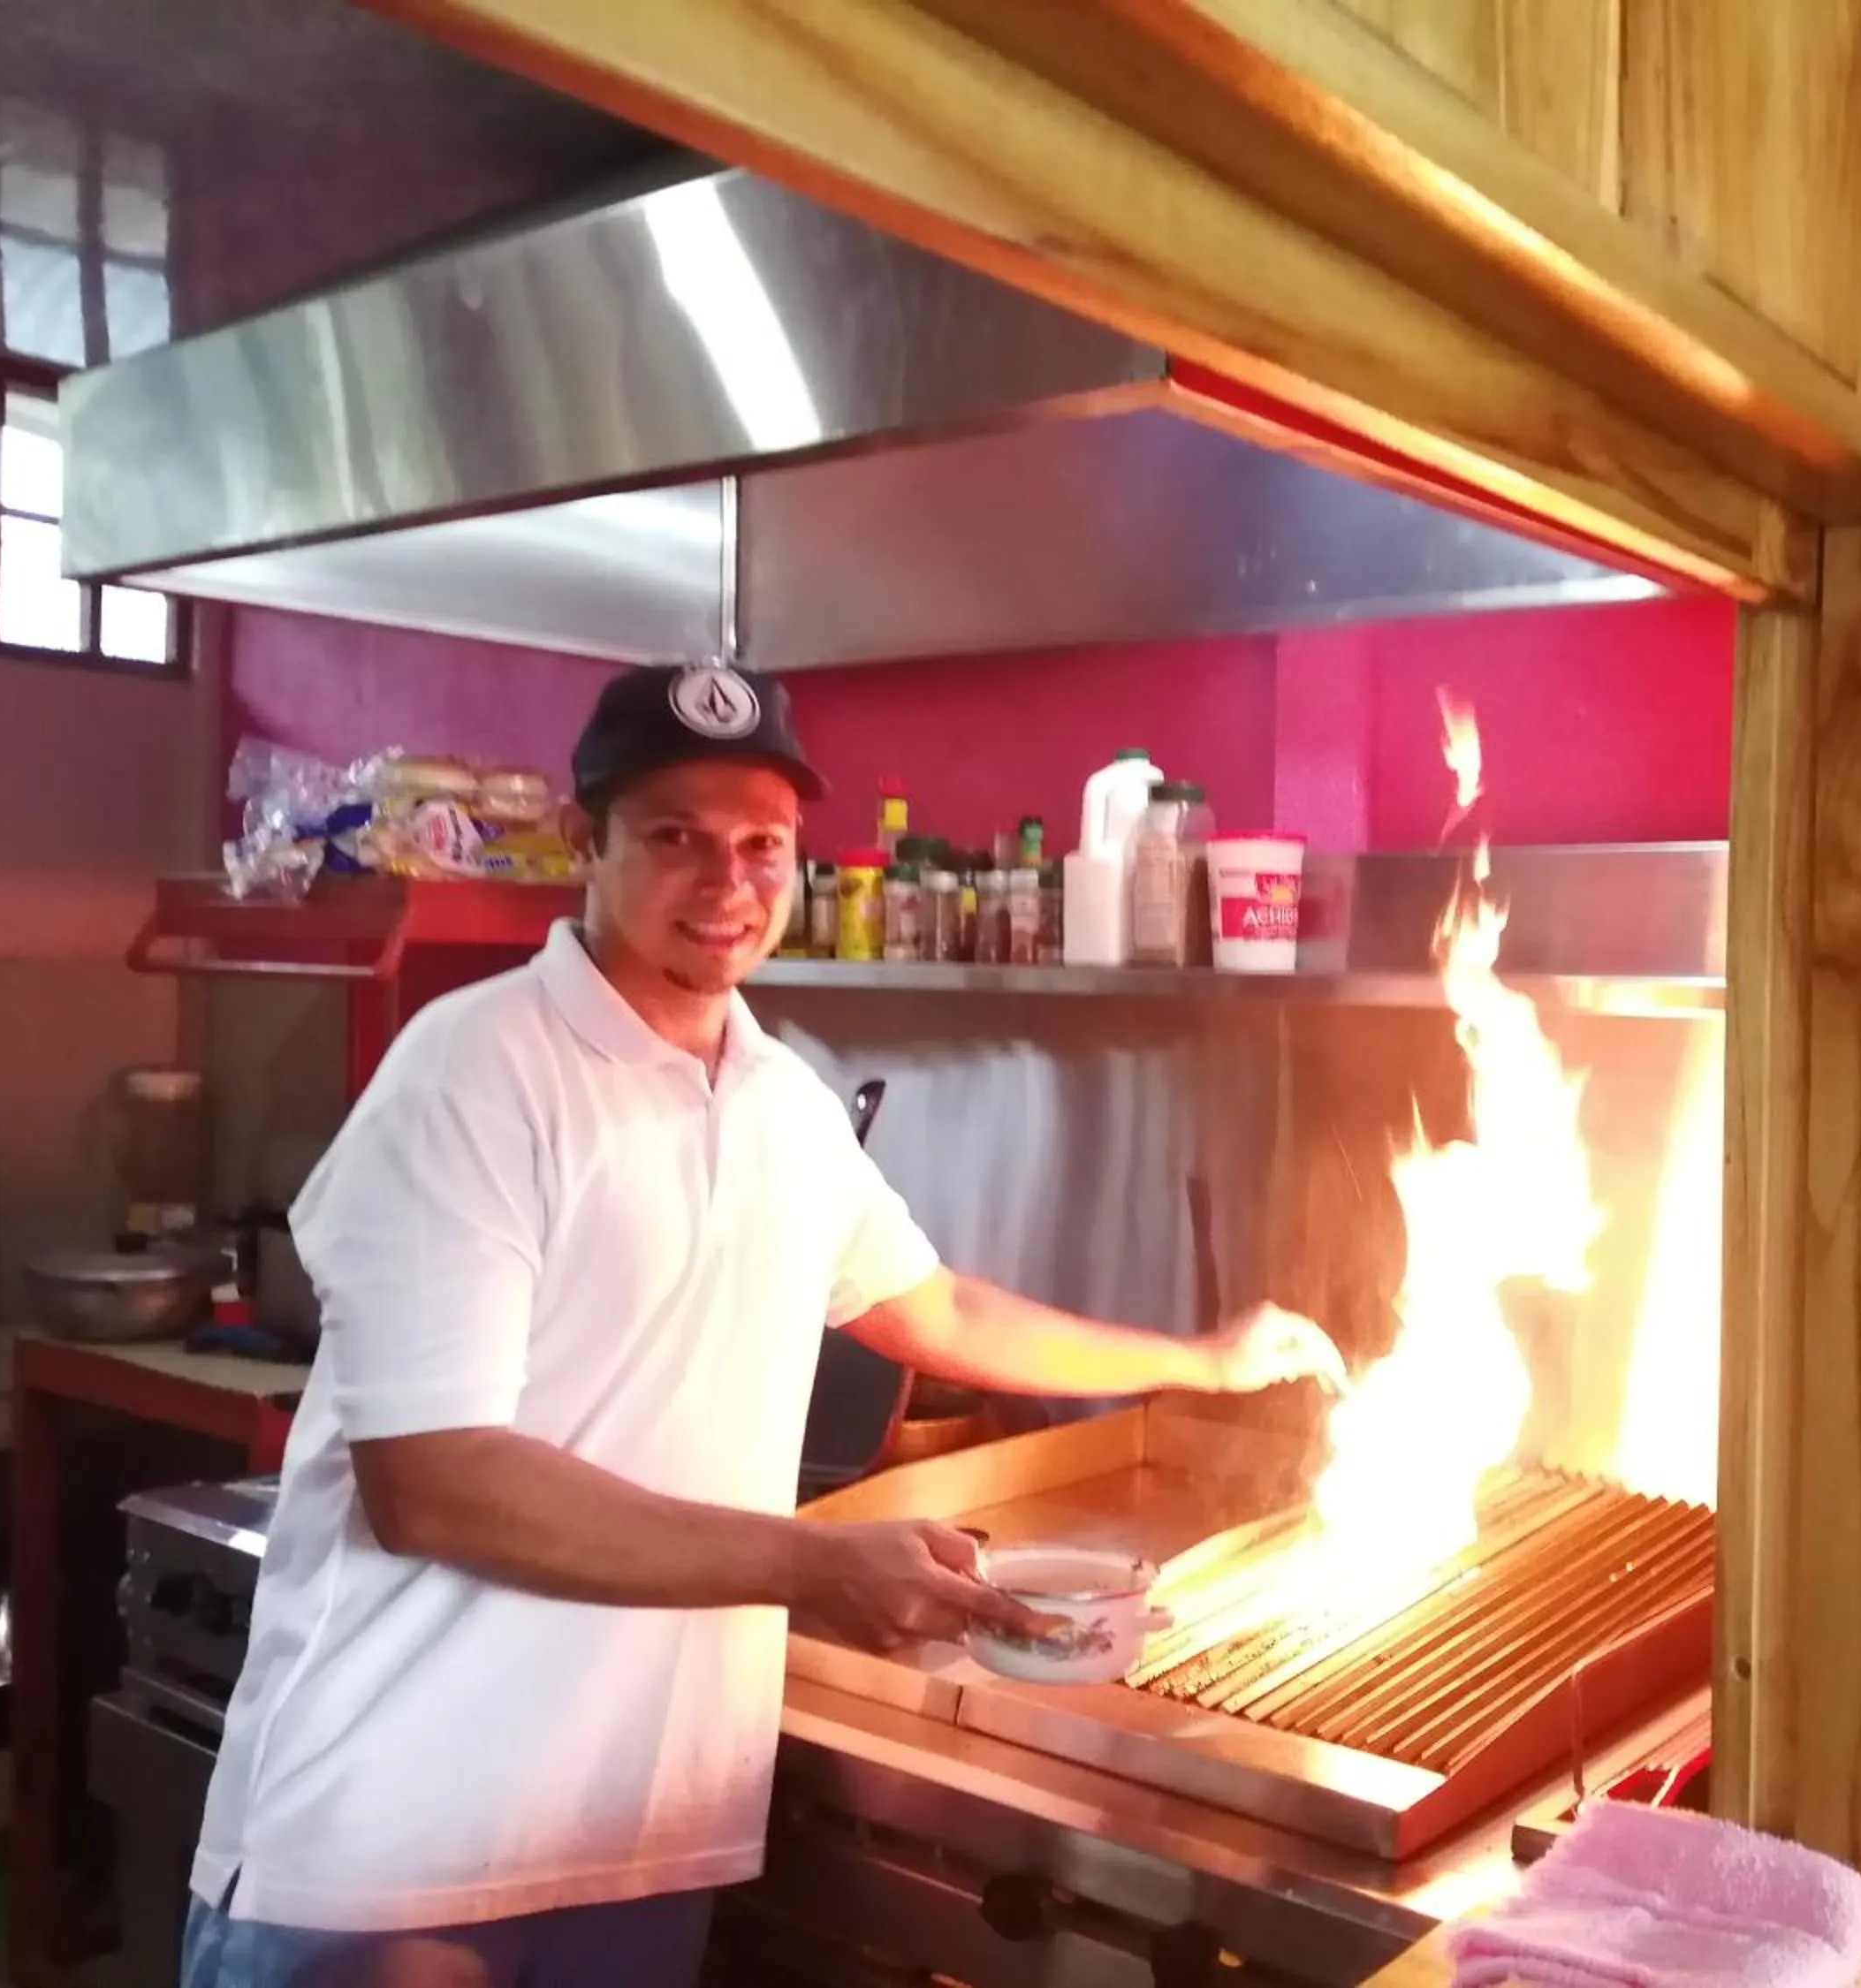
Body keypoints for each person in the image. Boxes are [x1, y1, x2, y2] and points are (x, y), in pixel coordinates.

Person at [181, 665, 1345, 1988]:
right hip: (399, 1853)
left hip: (641, 1840)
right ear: (587, 842)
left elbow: (939, 1307)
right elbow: (438, 1486)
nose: (726, 879)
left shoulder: (781, 1100)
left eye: (762, 845)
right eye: (675, 835)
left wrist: (1204, 1358)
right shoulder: (475, 1074)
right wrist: (818, 1567)